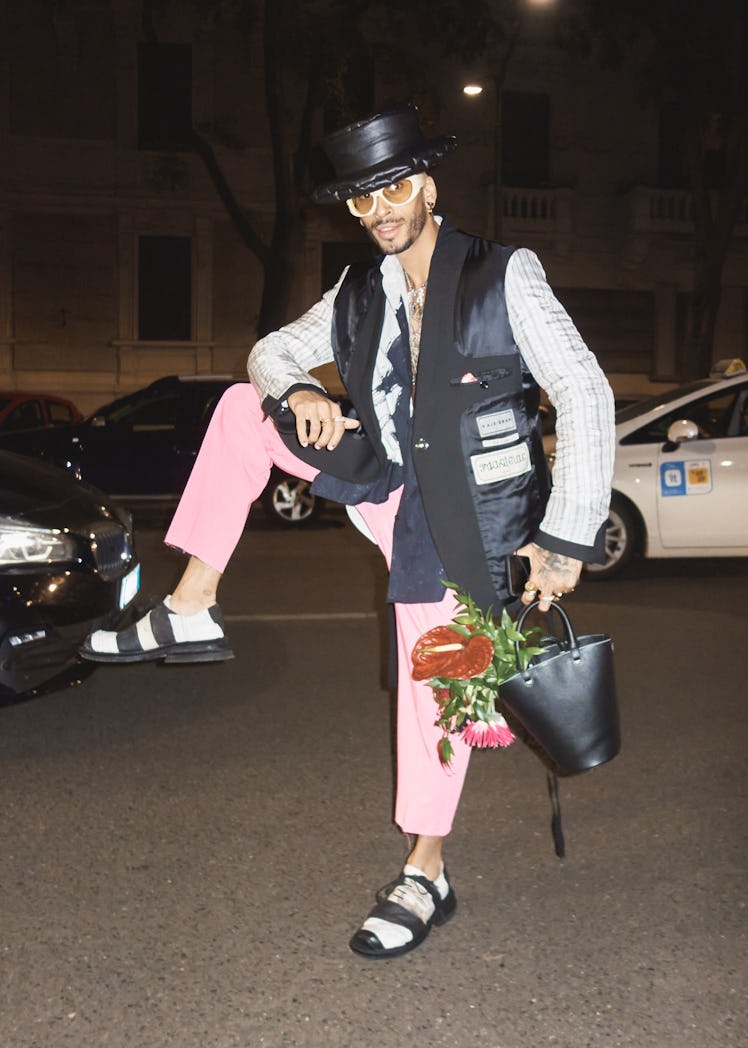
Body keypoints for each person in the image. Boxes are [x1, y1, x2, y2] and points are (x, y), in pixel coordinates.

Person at [81, 107, 615, 959]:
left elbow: (586, 395)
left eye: (394, 188)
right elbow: (268, 351)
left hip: (470, 526)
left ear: (428, 187)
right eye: (362, 201)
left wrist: (565, 537)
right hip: (391, 486)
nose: (380, 211)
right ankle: (191, 601)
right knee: (238, 410)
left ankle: (425, 870)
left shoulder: (502, 274)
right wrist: (298, 390)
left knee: (434, 686)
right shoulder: (357, 291)